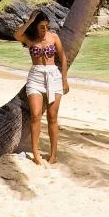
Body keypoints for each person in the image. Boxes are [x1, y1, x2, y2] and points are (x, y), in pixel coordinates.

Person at [13, 10, 69, 164]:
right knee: (36, 115)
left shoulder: (54, 37)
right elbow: (16, 35)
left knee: (52, 117)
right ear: (35, 26)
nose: (45, 29)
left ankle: (53, 154)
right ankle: (36, 153)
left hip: (54, 77)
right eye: (41, 27)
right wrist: (31, 20)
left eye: (46, 26)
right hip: (36, 78)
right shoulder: (29, 38)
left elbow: (63, 58)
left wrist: (64, 80)